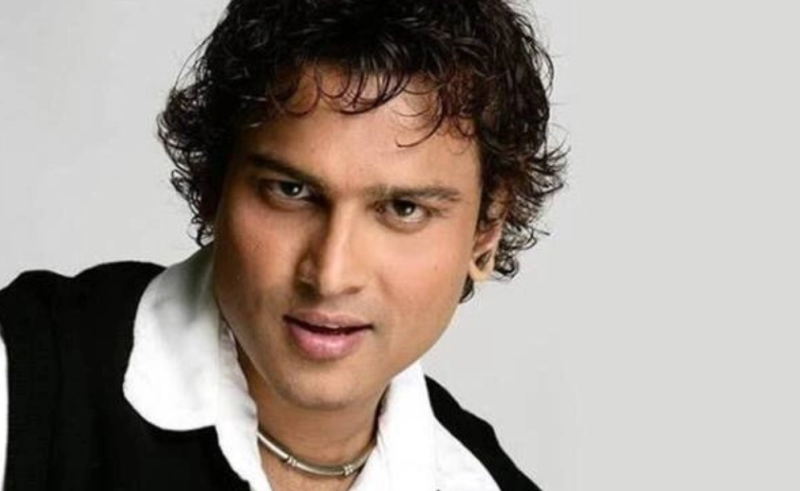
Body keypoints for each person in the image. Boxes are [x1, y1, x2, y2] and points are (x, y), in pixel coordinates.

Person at [0, 0, 565, 489]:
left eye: (403, 209)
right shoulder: (26, 381)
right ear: (214, 185)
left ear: (486, 231)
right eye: (291, 191)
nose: (332, 274)